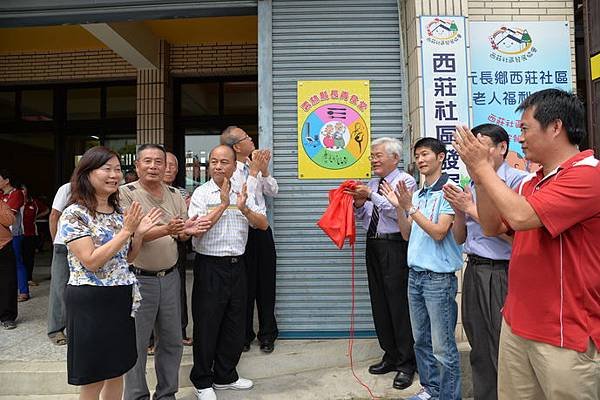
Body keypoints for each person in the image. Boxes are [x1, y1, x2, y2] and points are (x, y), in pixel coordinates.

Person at [453, 88, 600, 399]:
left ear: (556, 127)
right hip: (517, 323)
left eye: (524, 128)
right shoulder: (534, 181)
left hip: (564, 331)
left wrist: (482, 168)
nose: (519, 138)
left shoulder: (588, 175)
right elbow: (492, 226)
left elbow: (521, 217)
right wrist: (481, 177)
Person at [59, 146, 162, 400]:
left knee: (117, 370)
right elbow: (91, 262)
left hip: (120, 298)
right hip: (90, 301)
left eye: (118, 169)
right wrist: (127, 232)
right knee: (93, 377)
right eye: (107, 169)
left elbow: (125, 259)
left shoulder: (119, 214)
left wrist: (137, 234)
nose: (114, 175)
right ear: (87, 173)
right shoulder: (74, 214)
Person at [442, 124, 527, 400]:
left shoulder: (517, 181)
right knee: (477, 342)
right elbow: (459, 237)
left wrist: (470, 208)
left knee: (501, 347)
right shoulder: (470, 183)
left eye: (480, 145)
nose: (473, 151)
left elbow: (516, 235)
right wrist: (459, 211)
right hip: (474, 269)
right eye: (469, 146)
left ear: (502, 148)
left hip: (502, 272)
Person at [122, 144, 207, 400]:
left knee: (171, 340)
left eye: (159, 162)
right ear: (137, 166)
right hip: (139, 278)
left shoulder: (174, 194)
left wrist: (187, 230)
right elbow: (129, 235)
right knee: (135, 343)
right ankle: (137, 395)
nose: (154, 166)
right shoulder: (126, 194)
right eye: (147, 161)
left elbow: (179, 231)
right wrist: (168, 229)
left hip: (170, 276)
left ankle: (167, 394)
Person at [381, 137, 463, 400]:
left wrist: (410, 208)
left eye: (425, 154)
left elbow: (439, 232)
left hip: (438, 279)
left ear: (441, 157)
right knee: (422, 342)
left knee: (443, 347)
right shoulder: (416, 194)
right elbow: (406, 235)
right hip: (415, 276)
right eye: (417, 156)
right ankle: (431, 390)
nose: (420, 160)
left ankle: (449, 396)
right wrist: (399, 209)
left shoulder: (450, 190)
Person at [188, 144, 268, 400]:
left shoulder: (245, 190)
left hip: (238, 265)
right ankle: (202, 380)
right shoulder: (201, 193)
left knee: (236, 324)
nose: (218, 166)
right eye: (214, 161)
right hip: (210, 266)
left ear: (235, 166)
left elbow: (263, 224)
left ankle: (225, 375)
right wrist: (222, 205)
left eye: (224, 162)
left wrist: (244, 208)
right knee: (207, 324)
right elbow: (197, 230)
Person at [345, 137, 417, 391]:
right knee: (380, 301)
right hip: (373, 244)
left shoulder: (405, 181)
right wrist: (358, 203)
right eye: (372, 156)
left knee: (398, 303)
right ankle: (390, 353)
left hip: (395, 245)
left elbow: (395, 211)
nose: (373, 160)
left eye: (378, 156)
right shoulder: (373, 183)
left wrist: (371, 195)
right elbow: (366, 217)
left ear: (395, 158)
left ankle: (407, 362)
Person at [220, 126, 279, 353]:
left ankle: (267, 334)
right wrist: (254, 173)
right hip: (240, 231)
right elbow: (244, 198)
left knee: (266, 284)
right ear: (237, 146)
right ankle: (243, 334)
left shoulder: (252, 166)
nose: (251, 138)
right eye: (246, 137)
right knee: (243, 287)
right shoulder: (230, 171)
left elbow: (273, 191)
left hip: (261, 230)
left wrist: (263, 171)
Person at [163, 151, 193, 346]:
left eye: (173, 165)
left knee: (178, 289)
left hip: (177, 245)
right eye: (165, 164)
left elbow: (188, 218)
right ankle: (150, 339)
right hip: (151, 247)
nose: (168, 168)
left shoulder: (182, 193)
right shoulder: (142, 192)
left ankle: (181, 331)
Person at [47, 182, 71, 345]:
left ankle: (76, 327)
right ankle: (56, 329)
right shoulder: (67, 188)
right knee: (60, 286)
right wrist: (56, 240)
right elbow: (54, 215)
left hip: (90, 245)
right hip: (64, 245)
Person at [0, 170, 28, 302]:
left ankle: (23, 291)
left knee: (16, 262)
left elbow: (9, 215)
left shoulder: (17, 193)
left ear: (6, 180)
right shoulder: (1, 195)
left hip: (14, 234)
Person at [21, 185, 50, 286]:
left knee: (29, 257)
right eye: (21, 190)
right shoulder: (16, 202)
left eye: (24, 190)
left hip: (31, 233)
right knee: (18, 257)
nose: (23, 192)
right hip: (17, 234)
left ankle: (29, 278)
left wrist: (36, 216)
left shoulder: (34, 202)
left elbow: (47, 210)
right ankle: (19, 279)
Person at [0, 198, 17, 330]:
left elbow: (10, 220)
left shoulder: (1, 204)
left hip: (3, 246)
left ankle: (7, 316)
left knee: (7, 282)